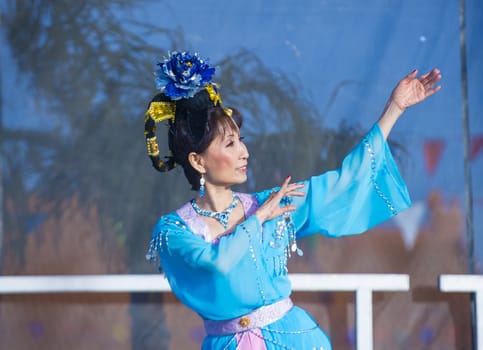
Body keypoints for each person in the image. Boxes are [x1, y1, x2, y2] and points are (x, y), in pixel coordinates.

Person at [145, 51, 442, 350]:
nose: (243, 153)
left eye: (242, 141)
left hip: (293, 339)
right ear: (198, 161)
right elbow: (215, 265)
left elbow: (342, 183)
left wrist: (394, 108)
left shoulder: (273, 203)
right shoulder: (174, 230)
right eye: (230, 144)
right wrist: (257, 220)